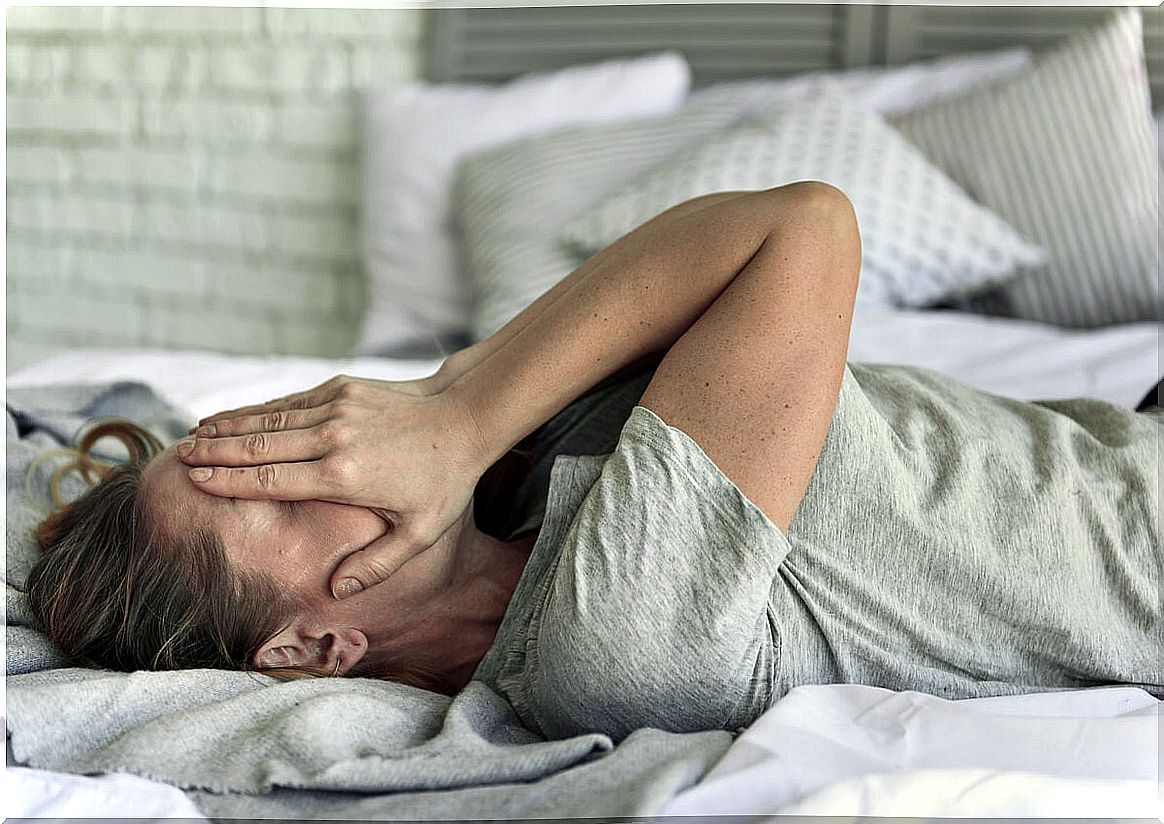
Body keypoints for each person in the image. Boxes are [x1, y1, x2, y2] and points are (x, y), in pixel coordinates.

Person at [27, 183, 1161, 741]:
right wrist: (457, 410)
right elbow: (803, 227)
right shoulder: (606, 632)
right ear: (316, 644)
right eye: (255, 483)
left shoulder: (514, 484)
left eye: (241, 434)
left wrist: (456, 409)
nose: (296, 434)